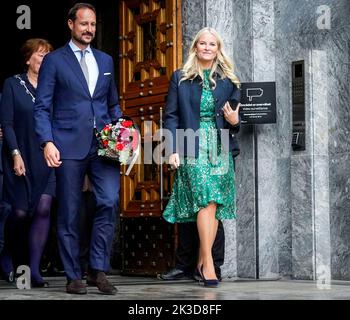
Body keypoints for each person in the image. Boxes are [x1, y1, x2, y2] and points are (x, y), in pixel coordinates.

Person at [34, 3, 122, 295]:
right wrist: (47, 142)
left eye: (93, 24)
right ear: (71, 24)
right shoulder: (54, 61)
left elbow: (112, 104)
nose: (89, 30)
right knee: (69, 211)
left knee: (108, 201)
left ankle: (98, 269)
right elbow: (42, 106)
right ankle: (74, 275)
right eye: (84, 24)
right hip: (67, 145)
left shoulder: (106, 60)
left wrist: (122, 131)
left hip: (105, 145)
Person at [162, 27, 241, 287]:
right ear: (195, 47)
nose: (207, 48)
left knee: (213, 204)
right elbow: (171, 116)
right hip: (190, 144)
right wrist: (172, 149)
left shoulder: (229, 80)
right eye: (203, 43)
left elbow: (234, 120)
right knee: (203, 198)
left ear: (218, 49)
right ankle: (207, 264)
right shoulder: (180, 79)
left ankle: (204, 260)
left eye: (212, 44)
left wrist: (234, 121)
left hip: (218, 145)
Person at [0, 38, 55, 287]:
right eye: (41, 55)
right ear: (28, 59)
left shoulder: (55, 88)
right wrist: (14, 153)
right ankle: (9, 253)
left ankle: (33, 269)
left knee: (43, 208)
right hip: (20, 154)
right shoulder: (12, 84)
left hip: (46, 155)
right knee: (20, 212)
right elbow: (7, 123)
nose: (45, 60)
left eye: (48, 56)